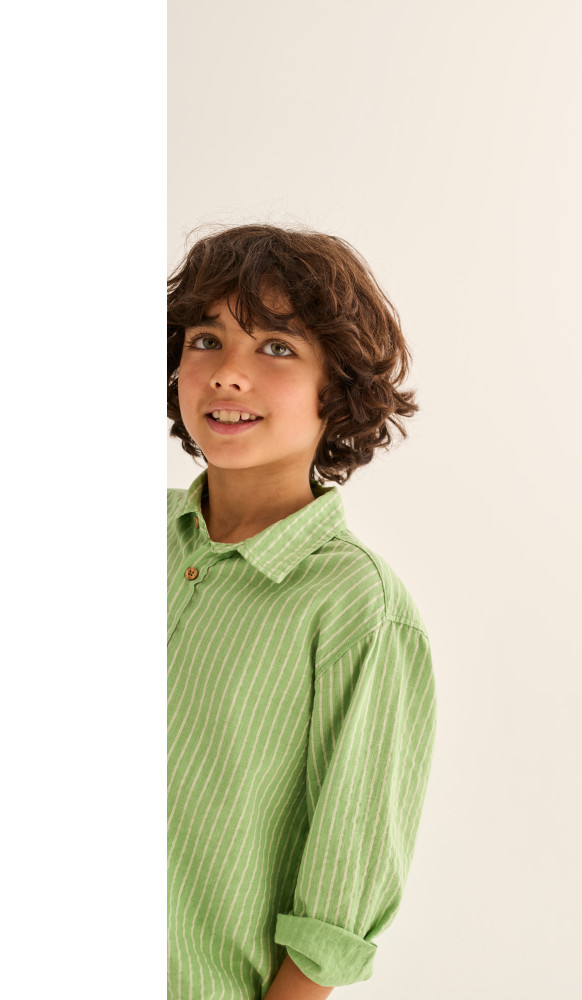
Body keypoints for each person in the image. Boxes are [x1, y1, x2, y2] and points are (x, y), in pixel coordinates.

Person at [167, 224, 437, 999]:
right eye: (206, 340)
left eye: (277, 348)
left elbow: (334, 921)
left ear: (336, 389)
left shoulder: (357, 608)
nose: (228, 374)